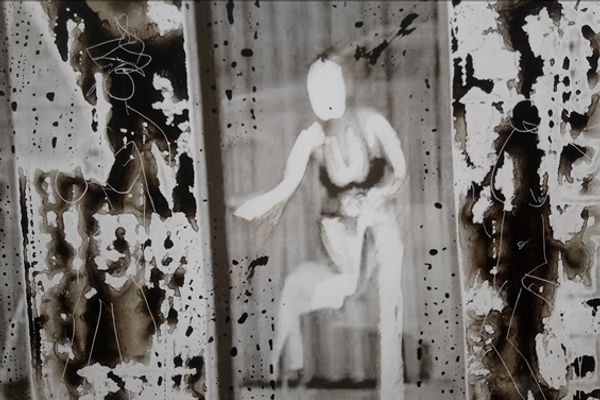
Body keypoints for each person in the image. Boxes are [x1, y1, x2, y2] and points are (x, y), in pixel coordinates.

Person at [234, 51, 407, 397]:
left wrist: (377, 194)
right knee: (293, 289)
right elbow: (286, 186)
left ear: (345, 85)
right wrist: (249, 209)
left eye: (330, 85)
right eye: (317, 89)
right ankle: (285, 379)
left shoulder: (372, 123)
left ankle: (392, 392)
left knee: (384, 263)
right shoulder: (312, 136)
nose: (324, 96)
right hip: (342, 249)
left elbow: (400, 172)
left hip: (376, 233)